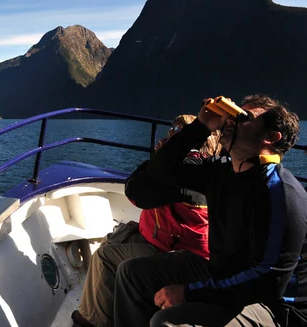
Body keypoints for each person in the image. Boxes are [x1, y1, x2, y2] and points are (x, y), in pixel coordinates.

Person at [116, 94, 307, 327]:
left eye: (243, 118)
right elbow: (160, 170)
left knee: (167, 322)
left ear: (271, 137)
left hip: (272, 305)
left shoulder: (280, 192)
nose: (230, 121)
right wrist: (201, 126)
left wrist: (190, 292)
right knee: (132, 274)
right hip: (222, 273)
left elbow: (267, 280)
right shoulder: (221, 171)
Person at [72, 114, 221, 327]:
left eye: (175, 135)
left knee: (104, 256)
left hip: (180, 255)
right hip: (181, 245)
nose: (168, 137)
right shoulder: (212, 168)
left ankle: (89, 323)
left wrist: (160, 159)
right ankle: (109, 309)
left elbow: (135, 192)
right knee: (114, 238)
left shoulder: (185, 173)